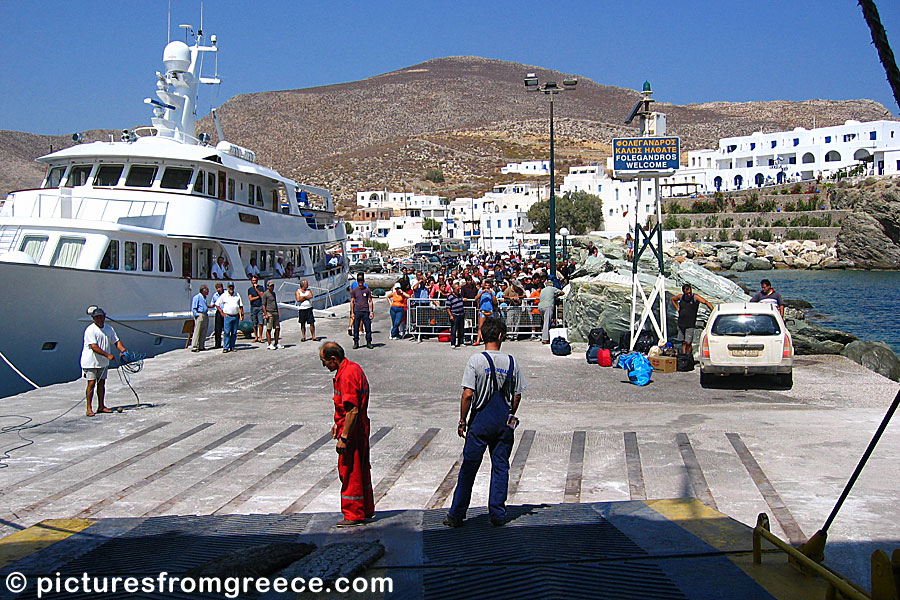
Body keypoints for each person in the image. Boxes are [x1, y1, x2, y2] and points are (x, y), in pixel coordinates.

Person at [443, 318, 526, 528]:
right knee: (500, 467)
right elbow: (517, 395)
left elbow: (468, 394)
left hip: (479, 422)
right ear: (500, 336)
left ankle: (456, 515)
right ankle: (497, 513)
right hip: (502, 422)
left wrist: (462, 420)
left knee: (469, 468)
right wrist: (510, 414)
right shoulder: (512, 362)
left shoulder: (475, 361)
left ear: (484, 335)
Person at [320, 341, 374, 526]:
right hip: (359, 427)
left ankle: (353, 514)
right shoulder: (354, 368)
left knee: (350, 471)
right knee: (361, 469)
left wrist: (344, 437)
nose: (325, 366)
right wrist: (337, 423)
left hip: (353, 431)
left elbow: (352, 411)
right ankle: (365, 509)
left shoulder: (347, 376)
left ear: (333, 359)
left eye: (324, 362)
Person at [81, 307, 127, 417]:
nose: (99, 319)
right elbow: (94, 346)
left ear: (104, 317)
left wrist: (123, 350)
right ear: (93, 319)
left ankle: (101, 406)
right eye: (97, 318)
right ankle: (89, 408)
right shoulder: (90, 330)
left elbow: (116, 341)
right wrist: (108, 355)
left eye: (101, 317)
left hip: (103, 363)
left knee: (101, 383)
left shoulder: (109, 329)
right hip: (90, 362)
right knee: (91, 383)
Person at [670, 284, 714, 355]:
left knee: (688, 342)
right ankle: (684, 355)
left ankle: (688, 354)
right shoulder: (681, 297)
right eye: (687, 293)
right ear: (684, 292)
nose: (689, 294)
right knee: (683, 342)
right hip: (681, 322)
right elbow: (672, 299)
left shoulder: (695, 297)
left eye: (690, 292)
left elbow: (705, 302)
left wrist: (713, 310)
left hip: (690, 324)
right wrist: (677, 308)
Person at [216, 282, 244, 353]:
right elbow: (217, 304)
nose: (231, 288)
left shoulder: (237, 295)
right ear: (227, 287)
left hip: (236, 316)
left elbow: (240, 305)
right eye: (229, 286)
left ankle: (232, 346)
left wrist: (242, 314)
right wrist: (221, 312)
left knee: (234, 333)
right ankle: (225, 347)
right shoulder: (224, 295)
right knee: (227, 332)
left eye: (232, 286)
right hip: (228, 316)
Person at [350, 272, 374, 349]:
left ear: (363, 281)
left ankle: (369, 342)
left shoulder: (367, 290)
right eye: (359, 281)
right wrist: (352, 312)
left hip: (365, 311)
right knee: (356, 328)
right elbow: (352, 302)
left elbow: (370, 301)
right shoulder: (355, 290)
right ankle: (356, 342)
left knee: (368, 328)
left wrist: (371, 312)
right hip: (357, 311)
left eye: (361, 281)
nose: (360, 283)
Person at [539, 276, 563, 344]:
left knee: (544, 323)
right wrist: (555, 295)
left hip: (540, 306)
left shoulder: (542, 290)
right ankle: (545, 339)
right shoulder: (553, 289)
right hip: (548, 306)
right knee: (547, 323)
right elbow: (562, 292)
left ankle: (545, 336)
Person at [472, 280, 497, 346]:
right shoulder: (480, 291)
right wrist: (482, 293)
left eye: (488, 285)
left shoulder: (493, 292)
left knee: (491, 326)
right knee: (480, 326)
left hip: (490, 311)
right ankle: (478, 340)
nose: (487, 287)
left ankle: (490, 340)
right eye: (486, 285)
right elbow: (476, 298)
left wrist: (491, 294)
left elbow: (495, 302)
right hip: (483, 311)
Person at [446, 279, 467, 348]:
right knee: (454, 329)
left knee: (461, 329)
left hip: (461, 314)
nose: (459, 290)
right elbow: (448, 307)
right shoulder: (450, 297)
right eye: (457, 289)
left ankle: (461, 342)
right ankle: (453, 343)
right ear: (453, 289)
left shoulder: (460, 296)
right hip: (454, 314)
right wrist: (450, 315)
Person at [190, 285, 210, 352]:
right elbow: (194, 308)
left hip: (205, 314)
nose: (208, 292)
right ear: (203, 290)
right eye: (206, 290)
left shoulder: (204, 298)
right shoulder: (197, 297)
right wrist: (197, 315)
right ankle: (194, 346)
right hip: (200, 314)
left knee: (204, 331)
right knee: (197, 330)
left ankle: (201, 346)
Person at [261, 280, 281, 350]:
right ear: (267, 286)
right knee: (269, 329)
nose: (272, 287)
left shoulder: (274, 293)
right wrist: (265, 314)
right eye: (270, 286)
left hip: (275, 312)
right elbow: (263, 305)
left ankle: (276, 342)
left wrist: (278, 312)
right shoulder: (265, 294)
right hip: (269, 312)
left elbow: (275, 303)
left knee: (277, 328)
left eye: (273, 286)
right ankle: (269, 344)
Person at [247, 276, 266, 343]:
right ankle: (256, 337)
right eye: (253, 280)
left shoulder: (261, 288)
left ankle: (260, 337)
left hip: (260, 306)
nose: (254, 282)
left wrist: (256, 289)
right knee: (254, 323)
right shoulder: (250, 289)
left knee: (261, 322)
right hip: (253, 307)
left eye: (255, 280)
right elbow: (250, 299)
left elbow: (262, 295)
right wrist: (258, 297)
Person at [211, 282, 225, 348]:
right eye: (217, 288)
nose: (218, 289)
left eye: (220, 288)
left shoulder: (226, 294)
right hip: (219, 312)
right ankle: (217, 344)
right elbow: (213, 304)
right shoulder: (215, 295)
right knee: (217, 329)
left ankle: (227, 343)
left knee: (226, 328)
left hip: (225, 311)